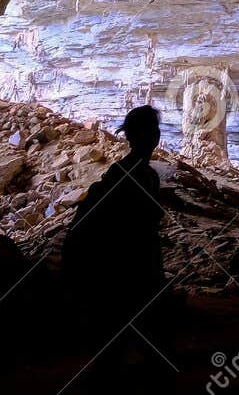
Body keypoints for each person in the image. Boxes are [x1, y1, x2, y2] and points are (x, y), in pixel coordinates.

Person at [63, 105, 166, 334]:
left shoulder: (131, 173)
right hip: (121, 267)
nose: (154, 136)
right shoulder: (134, 175)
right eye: (151, 131)